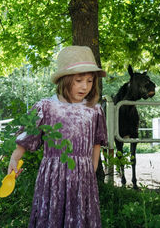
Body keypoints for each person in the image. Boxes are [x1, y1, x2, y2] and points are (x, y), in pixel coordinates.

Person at [8, 45, 107, 228]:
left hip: (83, 178)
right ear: (65, 80)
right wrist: (14, 158)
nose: (85, 86)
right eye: (78, 80)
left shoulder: (94, 110)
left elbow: (96, 145)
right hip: (53, 177)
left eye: (90, 81)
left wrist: (89, 174)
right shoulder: (45, 107)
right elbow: (26, 139)